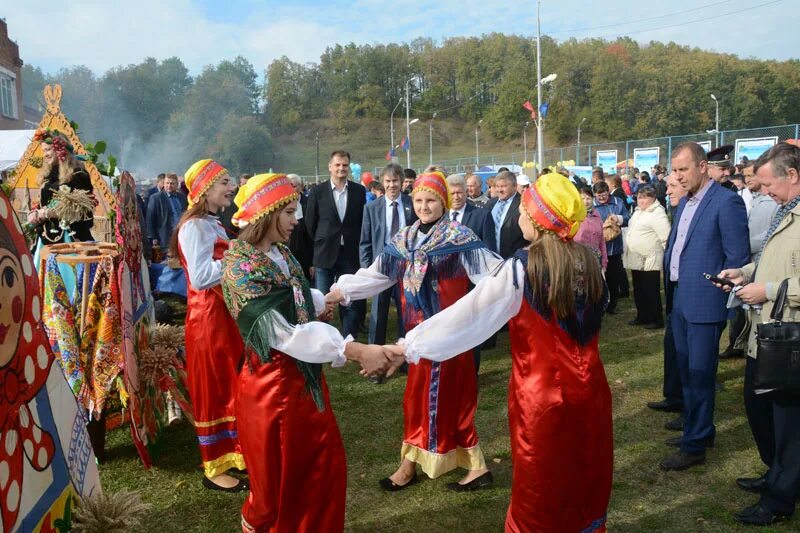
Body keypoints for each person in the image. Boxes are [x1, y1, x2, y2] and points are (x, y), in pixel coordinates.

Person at [390, 172, 613, 532]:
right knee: (584, 473)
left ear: (539, 220)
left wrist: (405, 347)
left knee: (539, 486)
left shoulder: (521, 269)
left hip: (541, 397)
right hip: (592, 392)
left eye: (524, 210)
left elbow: (468, 316)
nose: (519, 217)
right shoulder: (589, 263)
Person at [220, 173, 396, 533]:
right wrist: (352, 348)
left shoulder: (279, 252)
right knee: (283, 480)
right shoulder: (240, 268)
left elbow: (295, 297)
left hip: (302, 382)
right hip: (273, 392)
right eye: (287, 212)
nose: (295, 220)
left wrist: (324, 299)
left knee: (320, 470)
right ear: (266, 215)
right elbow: (283, 335)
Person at [328, 171, 501, 492]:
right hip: (416, 338)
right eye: (419, 200)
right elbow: (376, 274)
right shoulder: (404, 239)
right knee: (417, 400)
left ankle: (453, 466)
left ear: (444, 202)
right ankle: (424, 464)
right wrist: (338, 292)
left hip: (450, 336)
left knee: (453, 401)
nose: (424, 206)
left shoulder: (459, 237)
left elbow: (494, 276)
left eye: (431, 200)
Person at [716, 142, 800, 526]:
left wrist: (767, 290)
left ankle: (781, 498)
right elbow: (771, 259)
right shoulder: (784, 210)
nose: (761, 191)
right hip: (764, 335)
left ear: (792, 176)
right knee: (759, 408)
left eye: (767, 183)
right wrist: (746, 274)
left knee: (788, 424)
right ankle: (777, 472)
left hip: (788, 340)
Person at [660, 142, 749, 471]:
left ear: (702, 167)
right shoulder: (685, 202)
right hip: (681, 298)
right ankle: (698, 428)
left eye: (683, 169)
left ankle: (694, 444)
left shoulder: (726, 202)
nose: (677, 176)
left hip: (705, 304)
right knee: (686, 369)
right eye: (674, 170)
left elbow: (737, 258)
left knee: (699, 374)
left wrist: (724, 299)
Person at [168, 159, 247, 492]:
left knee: (229, 385)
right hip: (208, 321)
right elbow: (200, 277)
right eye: (224, 182)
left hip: (221, 318)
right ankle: (213, 468)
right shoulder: (195, 227)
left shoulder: (211, 224)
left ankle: (231, 455)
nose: (231, 188)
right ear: (203, 189)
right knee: (213, 391)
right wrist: (238, 261)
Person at [305, 150, 367, 339]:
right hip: (324, 253)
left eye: (345, 165)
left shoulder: (359, 191)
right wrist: (318, 246)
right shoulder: (317, 191)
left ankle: (348, 338)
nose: (341, 168)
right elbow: (310, 223)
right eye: (338, 165)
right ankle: (324, 337)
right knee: (323, 298)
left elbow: (362, 221)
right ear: (330, 167)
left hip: (350, 253)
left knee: (349, 298)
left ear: (349, 167)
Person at [719, 162, 778, 360]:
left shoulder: (770, 203)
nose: (749, 179)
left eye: (753, 175)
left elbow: (767, 238)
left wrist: (738, 242)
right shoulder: (758, 199)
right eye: (746, 175)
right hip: (753, 265)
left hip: (762, 266)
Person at [359, 163, 417, 346]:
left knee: (405, 310)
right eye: (388, 181)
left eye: (396, 181)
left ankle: (406, 354)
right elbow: (365, 242)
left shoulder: (412, 204)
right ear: (382, 183)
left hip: (406, 267)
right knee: (378, 311)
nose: (392, 185)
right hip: (381, 266)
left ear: (402, 182)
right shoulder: (371, 208)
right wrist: (367, 268)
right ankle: (375, 356)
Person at [648, 171, 688, 414]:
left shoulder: (691, 210)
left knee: (686, 354)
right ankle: (674, 397)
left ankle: (687, 408)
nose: (667, 191)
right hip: (675, 292)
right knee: (672, 347)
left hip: (690, 295)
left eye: (673, 186)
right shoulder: (679, 209)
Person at [27, 129, 94, 246]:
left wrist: (48, 213)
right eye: (43, 151)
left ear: (60, 150)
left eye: (48, 150)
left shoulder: (78, 175)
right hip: (46, 240)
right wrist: (35, 213)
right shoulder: (48, 177)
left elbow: (83, 210)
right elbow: (43, 203)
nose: (45, 155)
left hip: (70, 241)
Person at [624, 185, 670, 329]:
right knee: (638, 289)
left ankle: (656, 319)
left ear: (653, 198)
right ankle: (642, 315)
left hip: (650, 259)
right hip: (636, 258)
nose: (641, 201)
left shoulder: (657, 214)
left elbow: (666, 237)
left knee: (651, 290)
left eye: (645, 198)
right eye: (639, 197)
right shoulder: (638, 211)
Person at [592, 180, 629, 314]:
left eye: (604, 194)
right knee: (600, 279)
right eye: (598, 195)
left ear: (608, 192)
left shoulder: (618, 202)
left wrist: (618, 219)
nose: (601, 198)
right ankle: (600, 304)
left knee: (614, 278)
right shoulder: (592, 206)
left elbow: (627, 218)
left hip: (615, 248)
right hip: (599, 250)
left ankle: (612, 305)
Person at [486, 171, 529, 259]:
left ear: (515, 186)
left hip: (515, 260)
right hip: (492, 261)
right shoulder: (490, 204)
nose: (500, 190)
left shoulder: (524, 204)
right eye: (497, 186)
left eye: (504, 186)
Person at [147, 173, 188, 249]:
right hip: (165, 238)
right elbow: (150, 219)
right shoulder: (156, 198)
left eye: (172, 183)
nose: (169, 186)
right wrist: (153, 237)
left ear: (177, 184)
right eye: (167, 183)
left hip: (182, 236)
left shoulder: (182, 198)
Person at [286, 174, 314, 281]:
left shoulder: (309, 203)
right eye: (288, 186)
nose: (291, 189)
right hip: (287, 253)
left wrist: (313, 262)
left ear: (300, 186)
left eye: (293, 186)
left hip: (305, 254)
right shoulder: (281, 205)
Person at [574, 185, 607, 271]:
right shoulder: (573, 216)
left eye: (588, 198)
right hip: (578, 259)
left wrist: (604, 262)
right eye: (582, 198)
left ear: (593, 199)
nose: (585, 202)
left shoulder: (597, 215)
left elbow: (602, 242)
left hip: (595, 260)